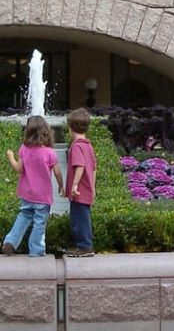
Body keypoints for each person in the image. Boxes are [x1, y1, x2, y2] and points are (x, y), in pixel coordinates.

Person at [2, 115, 63, 257]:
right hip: (42, 196)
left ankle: (10, 241)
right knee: (39, 222)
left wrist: (10, 156)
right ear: (46, 132)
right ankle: (36, 250)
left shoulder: (24, 149)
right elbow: (58, 172)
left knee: (23, 216)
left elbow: (18, 168)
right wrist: (61, 186)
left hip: (27, 194)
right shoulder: (49, 152)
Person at [65, 108, 97, 257]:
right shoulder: (88, 145)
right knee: (84, 217)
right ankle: (85, 245)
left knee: (79, 220)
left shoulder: (76, 146)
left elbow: (80, 166)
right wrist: (93, 187)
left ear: (70, 128)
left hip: (79, 191)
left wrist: (75, 185)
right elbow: (94, 169)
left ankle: (84, 247)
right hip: (87, 189)